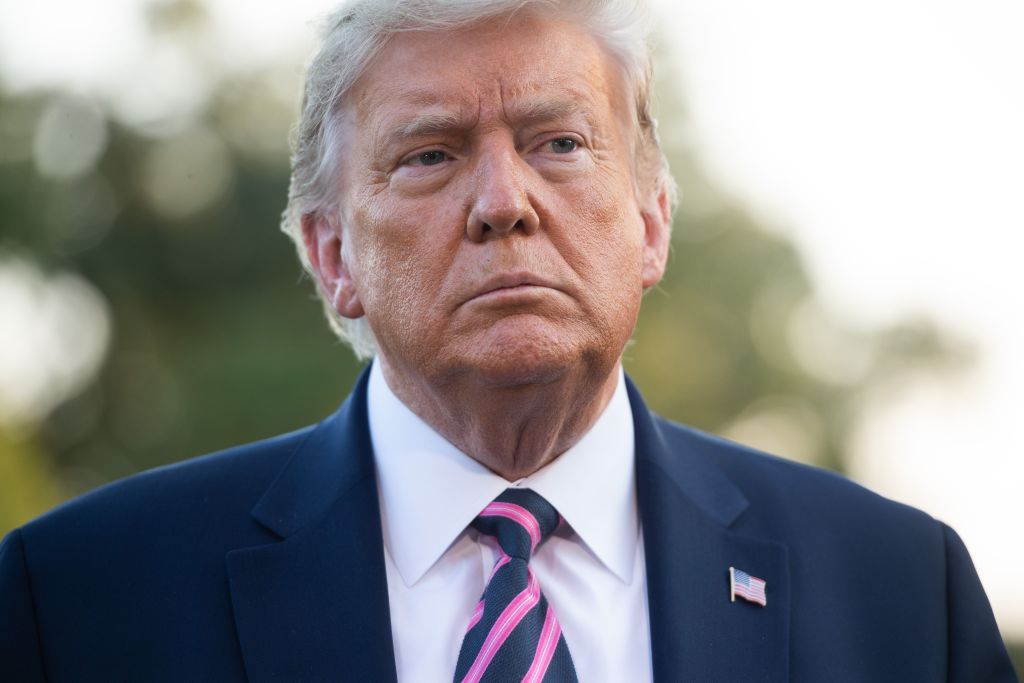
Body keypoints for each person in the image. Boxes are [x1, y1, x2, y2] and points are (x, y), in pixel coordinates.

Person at [0, 0, 1017, 681]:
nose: (502, 203)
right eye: (431, 154)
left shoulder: (900, 594)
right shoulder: (79, 603)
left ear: (652, 220)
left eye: (559, 144)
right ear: (331, 255)